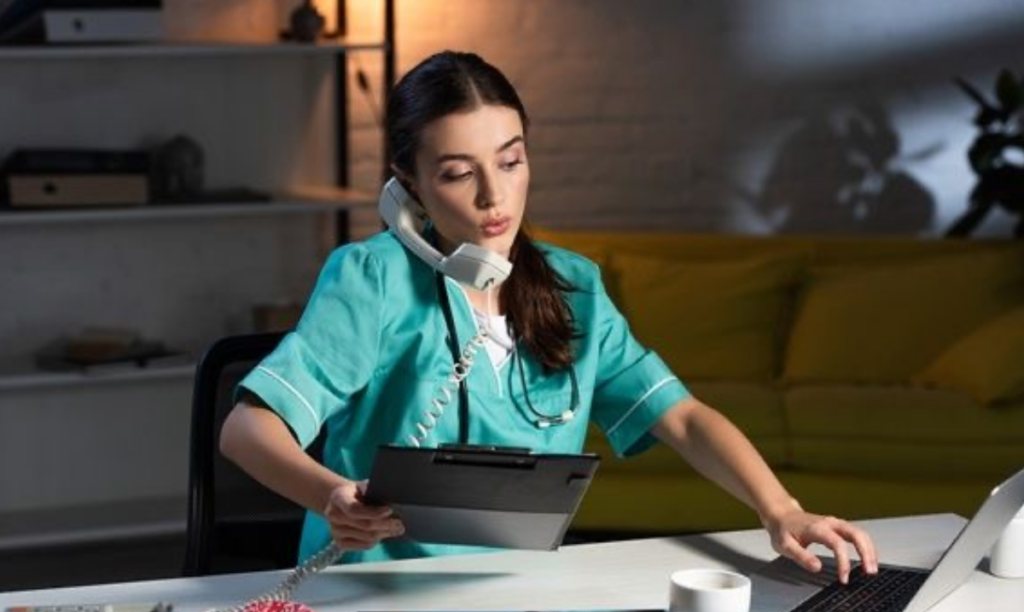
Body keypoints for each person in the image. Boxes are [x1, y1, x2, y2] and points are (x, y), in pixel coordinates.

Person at [220, 50, 878, 582]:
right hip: (374, 596)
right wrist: (328, 493)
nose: (493, 196)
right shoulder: (373, 278)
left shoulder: (574, 285)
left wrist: (782, 510)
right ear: (409, 184)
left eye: (510, 160)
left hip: (526, 595)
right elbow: (247, 430)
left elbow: (678, 414)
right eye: (457, 173)